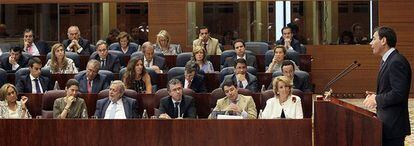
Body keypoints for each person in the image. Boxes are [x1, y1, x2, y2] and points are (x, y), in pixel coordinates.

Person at [363, 27, 411, 146]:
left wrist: (376, 99)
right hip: (387, 123)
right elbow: (392, 89)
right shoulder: (387, 60)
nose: (371, 43)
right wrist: (376, 95)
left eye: (374, 39)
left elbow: (399, 94)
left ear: (383, 40)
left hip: (394, 126)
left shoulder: (396, 61)